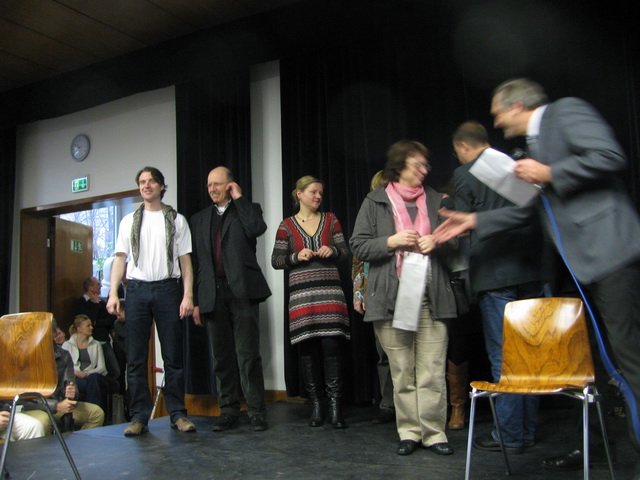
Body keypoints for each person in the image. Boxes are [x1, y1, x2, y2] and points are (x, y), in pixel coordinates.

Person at [433, 78, 640, 464]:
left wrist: (549, 171)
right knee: (592, 365)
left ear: (517, 106)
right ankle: (600, 449)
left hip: (611, 253)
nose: (496, 122)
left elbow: (609, 155)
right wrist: (475, 221)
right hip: (581, 267)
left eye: (498, 113)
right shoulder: (535, 146)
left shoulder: (566, 111)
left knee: (629, 359)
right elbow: (530, 211)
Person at [350, 140, 457, 456]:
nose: (424, 170)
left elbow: (457, 243)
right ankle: (409, 432)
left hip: (431, 297)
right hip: (391, 300)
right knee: (402, 371)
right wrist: (391, 241)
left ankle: (434, 433)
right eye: (417, 164)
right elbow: (358, 245)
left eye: (426, 164)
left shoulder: (438, 200)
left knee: (432, 370)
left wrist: (437, 241)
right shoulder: (375, 201)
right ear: (399, 167)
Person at [451, 120, 549, 450]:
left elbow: (463, 223)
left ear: (463, 146)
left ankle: (508, 434)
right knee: (529, 355)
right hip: (530, 271)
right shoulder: (513, 166)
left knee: (504, 357)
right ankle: (527, 430)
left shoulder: (465, 174)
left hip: (495, 274)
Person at [106, 166, 196, 437]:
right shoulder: (128, 221)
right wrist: (113, 293)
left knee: (173, 356)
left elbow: (185, 260)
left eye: (152, 181)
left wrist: (188, 294)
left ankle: (177, 414)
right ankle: (139, 417)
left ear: (161, 186)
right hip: (136, 291)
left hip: (168, 289)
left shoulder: (177, 220)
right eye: (142, 182)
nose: (146, 185)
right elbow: (120, 259)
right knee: (135, 358)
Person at [190, 166, 271, 432]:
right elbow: (198, 263)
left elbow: (257, 228)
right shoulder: (199, 219)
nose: (212, 189)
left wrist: (239, 198)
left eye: (217, 184)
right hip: (212, 294)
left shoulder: (248, 209)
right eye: (209, 185)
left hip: (243, 292)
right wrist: (197, 301)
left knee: (248, 355)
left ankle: (257, 411)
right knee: (221, 357)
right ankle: (228, 410)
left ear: (230, 185)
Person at [272, 175, 350, 429]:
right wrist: (296, 256)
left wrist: (333, 251)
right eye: (313, 192)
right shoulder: (286, 225)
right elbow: (276, 260)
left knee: (331, 348)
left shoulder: (331, 220)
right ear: (299, 194)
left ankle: (335, 406)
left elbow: (345, 252)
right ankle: (316, 405)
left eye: (320, 193)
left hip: (330, 295)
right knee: (308, 351)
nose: (318, 196)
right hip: (302, 300)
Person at [352, 170, 395, 424]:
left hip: (402, 287)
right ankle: (388, 404)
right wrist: (359, 293)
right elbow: (359, 260)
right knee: (383, 353)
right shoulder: (369, 213)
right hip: (376, 291)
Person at [21, 319, 104, 434]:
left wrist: (72, 392)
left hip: (61, 403)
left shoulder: (64, 355)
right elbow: (26, 398)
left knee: (97, 413)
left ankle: (75, 443)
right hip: (37, 407)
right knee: (44, 422)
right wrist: (56, 405)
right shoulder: (27, 357)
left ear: (54, 334)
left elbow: (71, 384)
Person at [73, 276, 120, 384]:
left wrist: (98, 323)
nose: (101, 286)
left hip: (104, 341)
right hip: (90, 342)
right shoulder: (81, 303)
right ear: (90, 287)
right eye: (98, 284)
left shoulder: (102, 303)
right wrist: (95, 307)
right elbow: (87, 320)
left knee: (114, 370)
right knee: (95, 370)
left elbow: (111, 319)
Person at [62, 314, 110, 413]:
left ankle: (94, 413)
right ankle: (93, 413)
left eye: (91, 325)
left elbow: (102, 368)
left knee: (94, 379)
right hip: (75, 377)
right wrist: (76, 372)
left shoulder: (96, 344)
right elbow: (63, 366)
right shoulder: (67, 345)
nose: (91, 327)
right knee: (77, 384)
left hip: (93, 377)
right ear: (79, 328)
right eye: (88, 326)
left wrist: (87, 374)